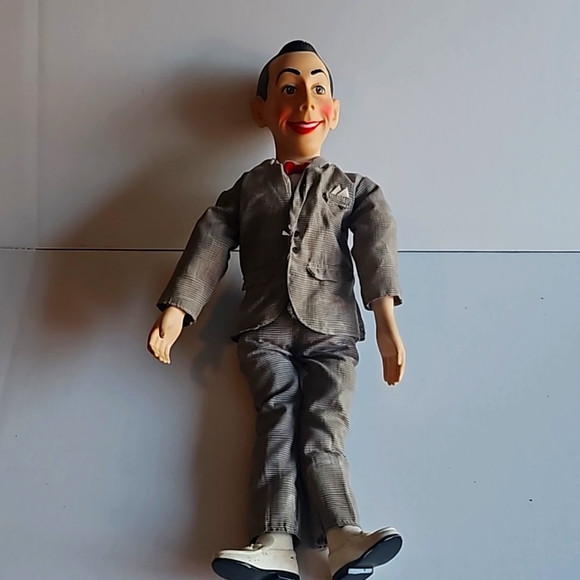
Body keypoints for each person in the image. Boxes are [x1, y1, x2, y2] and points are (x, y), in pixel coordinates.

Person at [147, 40, 406, 580]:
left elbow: (375, 249)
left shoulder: (354, 189)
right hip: (263, 328)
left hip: (333, 328)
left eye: (317, 89)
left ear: (334, 111)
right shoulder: (247, 189)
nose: (306, 103)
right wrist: (177, 311)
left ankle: (343, 535)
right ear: (261, 110)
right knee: (277, 425)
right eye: (288, 89)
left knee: (324, 426)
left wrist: (386, 320)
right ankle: (273, 539)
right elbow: (210, 244)